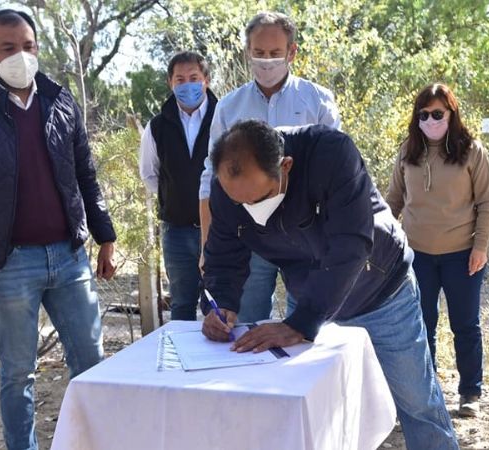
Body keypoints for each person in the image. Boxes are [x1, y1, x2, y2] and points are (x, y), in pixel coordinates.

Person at [200, 120, 459, 449]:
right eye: (240, 203)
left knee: (417, 401)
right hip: (308, 295)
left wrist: (302, 322)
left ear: (286, 166)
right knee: (312, 407)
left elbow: (350, 246)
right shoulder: (229, 192)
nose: (249, 209)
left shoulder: (330, 152)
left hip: (380, 289)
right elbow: (223, 255)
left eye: (259, 197)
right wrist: (220, 305)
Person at [0, 9, 116, 450]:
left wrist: (105, 236)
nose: (21, 55)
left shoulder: (61, 100)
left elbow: (85, 175)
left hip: (70, 257)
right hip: (7, 263)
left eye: (28, 46)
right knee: (18, 373)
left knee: (92, 362)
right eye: (8, 48)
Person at [198, 11, 340, 323]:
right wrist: (208, 246)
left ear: (292, 52)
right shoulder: (229, 107)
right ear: (248, 52)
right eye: (259, 53)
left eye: (275, 54)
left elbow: (336, 175)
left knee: (307, 327)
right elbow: (213, 178)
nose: (267, 62)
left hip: (307, 235)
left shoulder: (318, 100)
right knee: (242, 323)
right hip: (248, 235)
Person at [386, 83, 489, 418]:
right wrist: (381, 236)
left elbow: (488, 203)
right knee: (422, 324)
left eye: (438, 114)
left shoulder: (472, 151)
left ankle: (470, 393)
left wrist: (480, 247)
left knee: (465, 324)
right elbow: (393, 200)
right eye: (424, 114)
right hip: (417, 255)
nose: (431, 120)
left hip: (462, 255)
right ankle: (427, 392)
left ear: (452, 114)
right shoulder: (408, 150)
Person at [139, 51, 218, 320]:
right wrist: (176, 199)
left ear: (206, 80)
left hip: (221, 230)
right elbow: (150, 174)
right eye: (180, 79)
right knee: (182, 305)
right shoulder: (157, 127)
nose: (187, 85)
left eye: (194, 78)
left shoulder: (225, 118)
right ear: (170, 83)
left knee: (221, 304)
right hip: (177, 232)